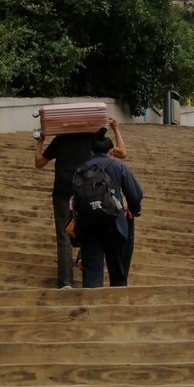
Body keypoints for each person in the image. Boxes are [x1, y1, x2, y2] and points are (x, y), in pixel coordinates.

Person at [35, 116, 126, 289]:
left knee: (64, 236)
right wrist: (115, 128)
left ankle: (65, 283)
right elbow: (121, 152)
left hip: (63, 190)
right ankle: (84, 257)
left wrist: (40, 141)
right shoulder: (93, 140)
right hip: (88, 191)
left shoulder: (60, 139)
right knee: (90, 225)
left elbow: (39, 162)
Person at [73, 134, 143, 289]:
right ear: (111, 151)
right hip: (115, 226)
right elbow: (135, 195)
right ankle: (116, 307)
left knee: (91, 275)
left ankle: (92, 307)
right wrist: (134, 209)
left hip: (88, 227)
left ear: (91, 152)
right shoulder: (118, 166)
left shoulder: (79, 170)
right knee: (118, 274)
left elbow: (74, 200)